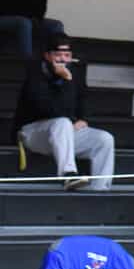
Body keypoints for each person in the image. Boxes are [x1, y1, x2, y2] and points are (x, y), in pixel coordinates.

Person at [14, 33, 114, 190]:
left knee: (104, 139)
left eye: (67, 55)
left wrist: (82, 119)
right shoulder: (36, 75)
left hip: (62, 133)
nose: (62, 59)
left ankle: (100, 189)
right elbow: (51, 110)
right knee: (62, 122)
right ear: (47, 56)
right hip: (32, 133)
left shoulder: (75, 72)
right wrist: (66, 81)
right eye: (58, 55)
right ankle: (68, 175)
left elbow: (83, 99)